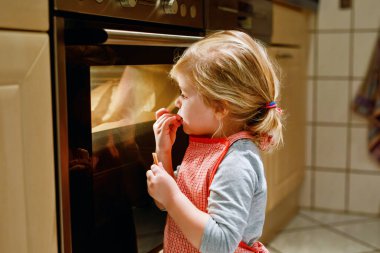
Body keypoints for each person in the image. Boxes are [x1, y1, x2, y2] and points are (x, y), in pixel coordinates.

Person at [146, 30, 283, 253]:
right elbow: (167, 204)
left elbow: (220, 244)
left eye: (185, 94)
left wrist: (171, 197)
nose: (178, 102)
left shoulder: (237, 162)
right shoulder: (206, 143)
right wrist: (164, 153)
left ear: (220, 107)